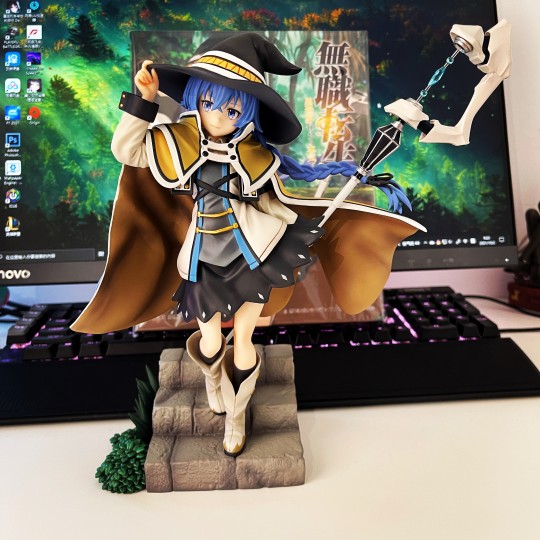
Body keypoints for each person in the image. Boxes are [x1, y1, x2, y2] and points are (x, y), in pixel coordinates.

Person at [72, 33, 424, 457]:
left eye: (233, 110)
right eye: (210, 103)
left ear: (248, 114)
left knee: (242, 340)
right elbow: (127, 150)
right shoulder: (176, 141)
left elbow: (281, 195)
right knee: (209, 341)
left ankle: (237, 415)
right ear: (196, 98)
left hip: (251, 254)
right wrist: (144, 103)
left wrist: (305, 223)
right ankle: (212, 381)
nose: (219, 117)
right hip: (202, 255)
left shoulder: (256, 153)